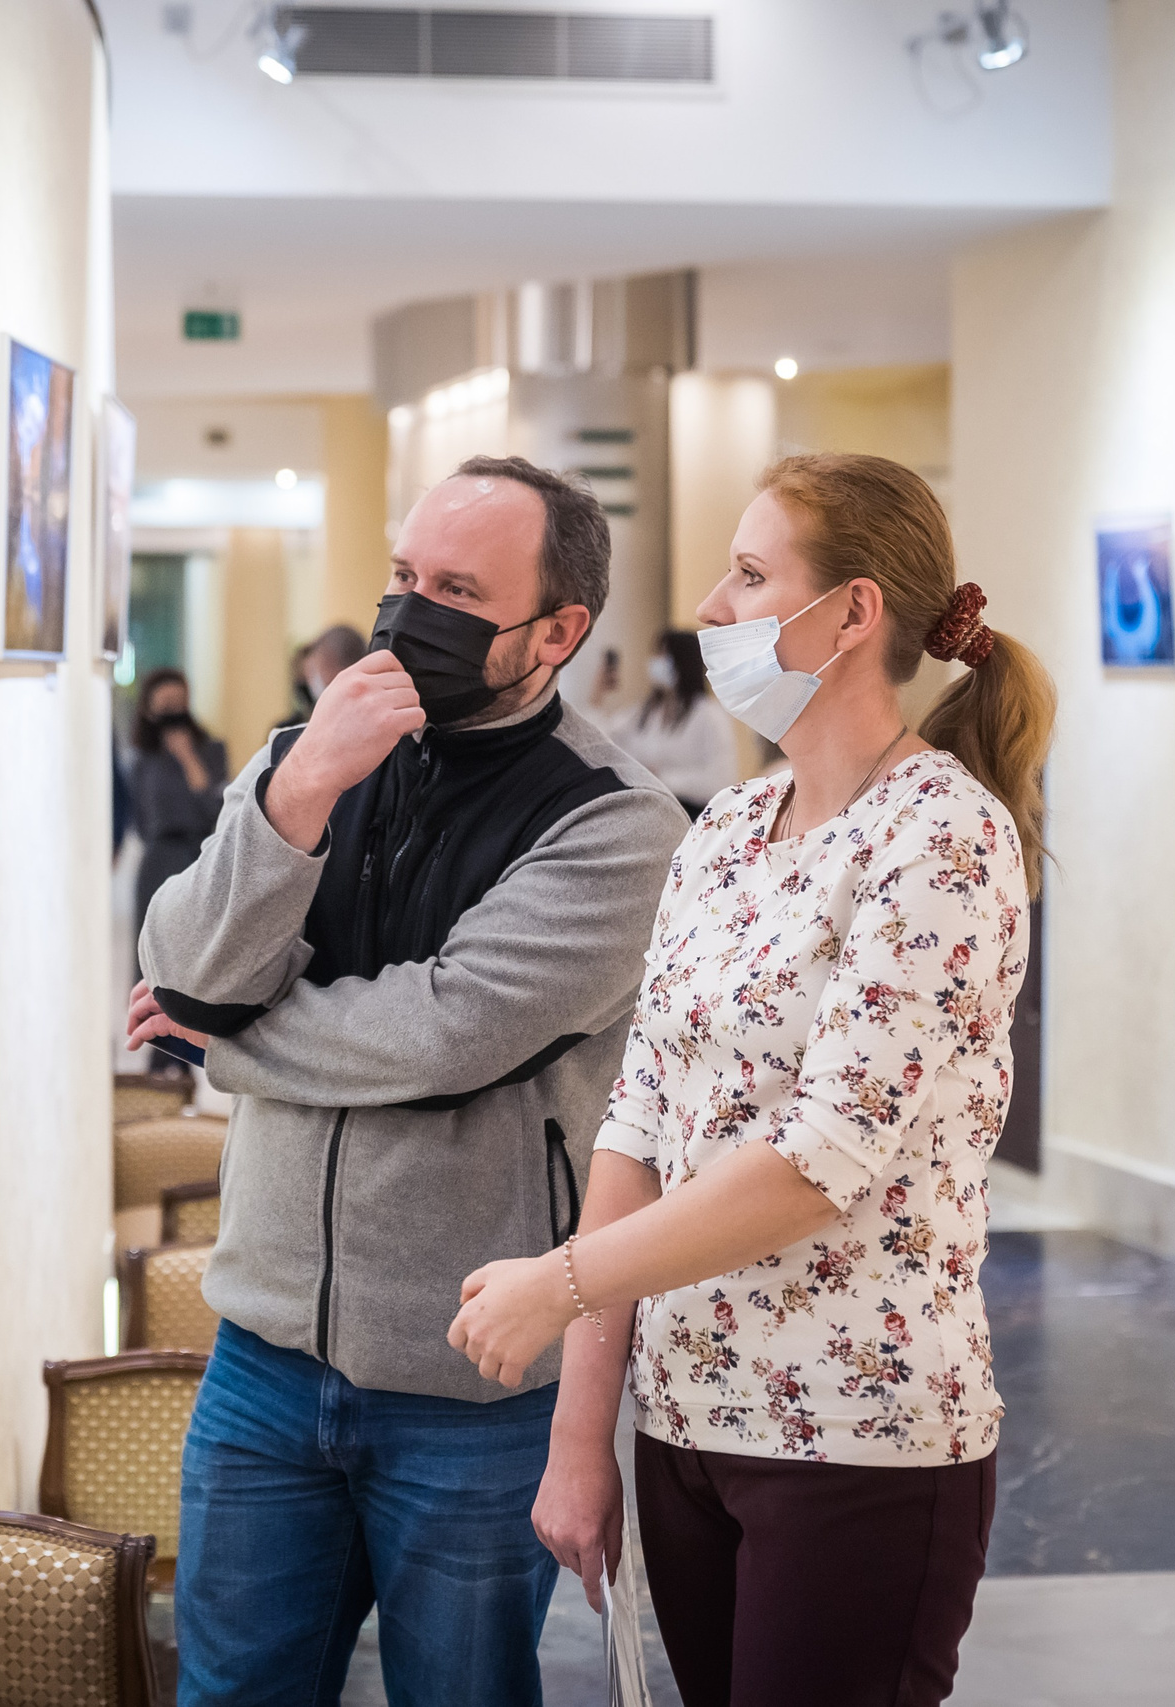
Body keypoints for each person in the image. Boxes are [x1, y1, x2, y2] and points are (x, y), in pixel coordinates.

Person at [445, 452, 1056, 1707]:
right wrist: (580, 1436)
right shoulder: (725, 830)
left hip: (855, 1434)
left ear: (851, 612)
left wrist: (556, 1285)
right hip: (687, 1422)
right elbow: (637, 1122)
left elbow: (817, 1162)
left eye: (747, 575)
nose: (711, 609)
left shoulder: (940, 835)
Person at [127, 456, 689, 1706]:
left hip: (472, 1383)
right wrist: (300, 789)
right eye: (402, 576)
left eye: (456, 592)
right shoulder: (309, 753)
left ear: (556, 631)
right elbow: (183, 963)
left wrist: (222, 1044)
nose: (408, 614)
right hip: (264, 1356)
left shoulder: (617, 824)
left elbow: (439, 1037)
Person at [129, 668, 229, 988]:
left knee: (198, 951)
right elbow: (142, 822)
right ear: (149, 710)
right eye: (165, 705)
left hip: (200, 857)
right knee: (152, 953)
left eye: (179, 702)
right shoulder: (143, 760)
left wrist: (188, 759)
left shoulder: (212, 750)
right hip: (158, 860)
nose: (173, 711)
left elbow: (217, 809)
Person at [609, 628, 740, 817]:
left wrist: (662, 777)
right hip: (646, 809)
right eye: (656, 654)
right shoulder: (645, 712)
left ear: (683, 661)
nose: (656, 661)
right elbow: (609, 739)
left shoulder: (709, 715)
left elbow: (720, 780)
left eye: (663, 655)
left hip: (690, 814)